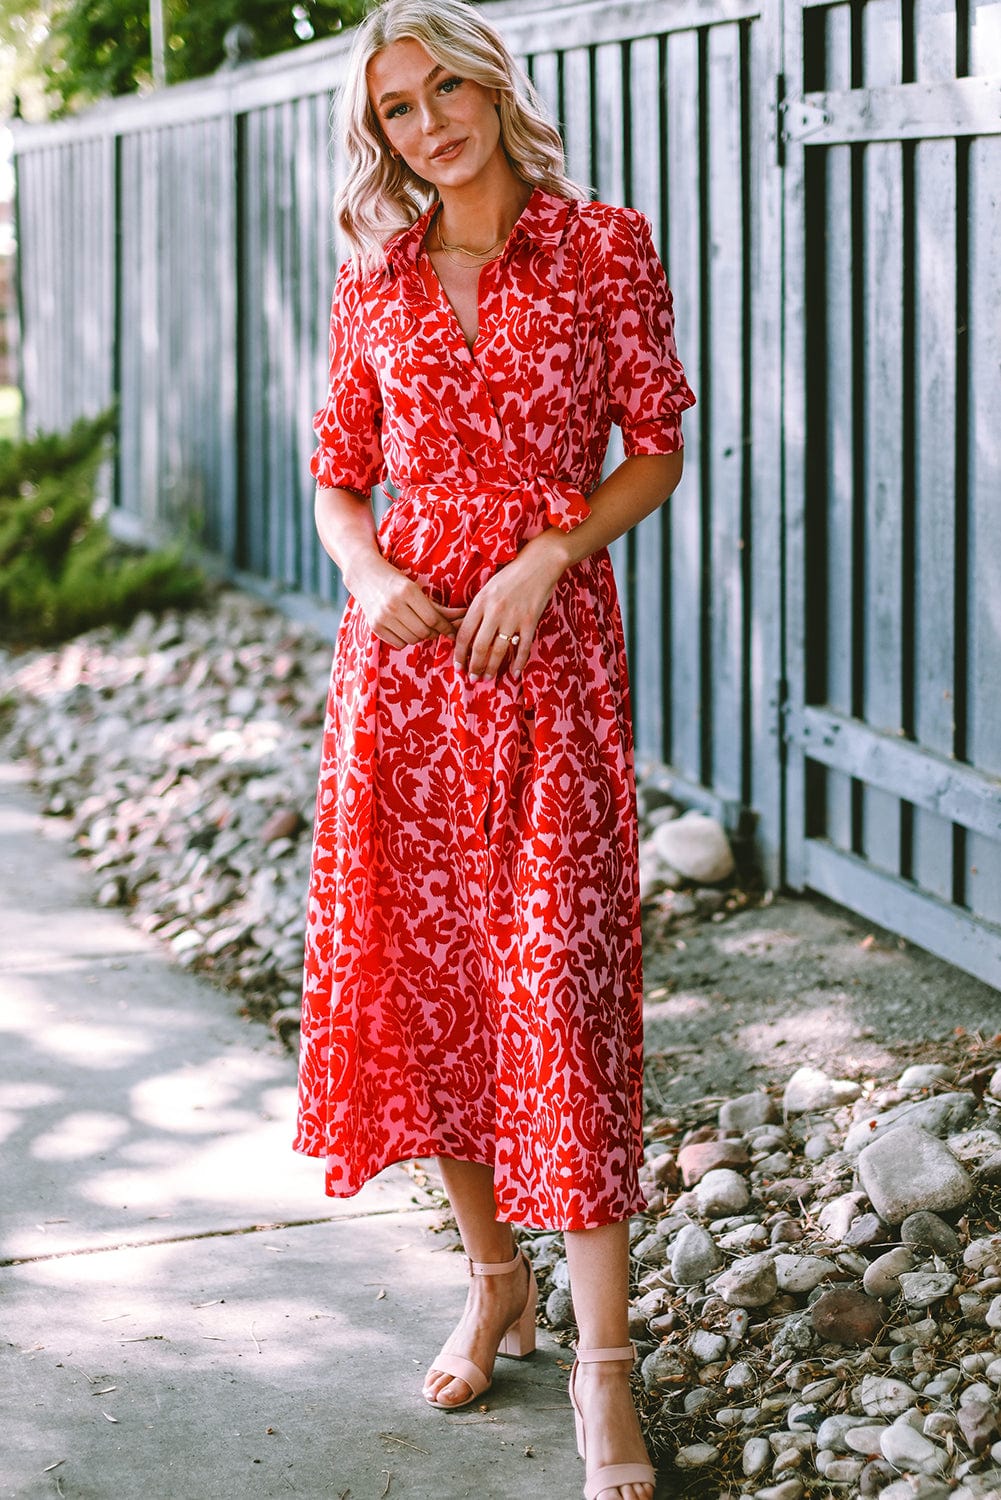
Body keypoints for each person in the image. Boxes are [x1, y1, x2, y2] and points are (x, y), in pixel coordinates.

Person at [293, 3, 695, 1496]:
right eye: (397, 110)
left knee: (556, 992)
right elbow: (338, 477)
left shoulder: (603, 246)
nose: (429, 125)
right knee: (430, 983)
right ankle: (492, 1281)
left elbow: (656, 443)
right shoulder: (376, 277)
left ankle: (604, 1372)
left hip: (547, 660)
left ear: (492, 85)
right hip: (400, 680)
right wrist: (365, 571)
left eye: (444, 88)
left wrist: (552, 552)